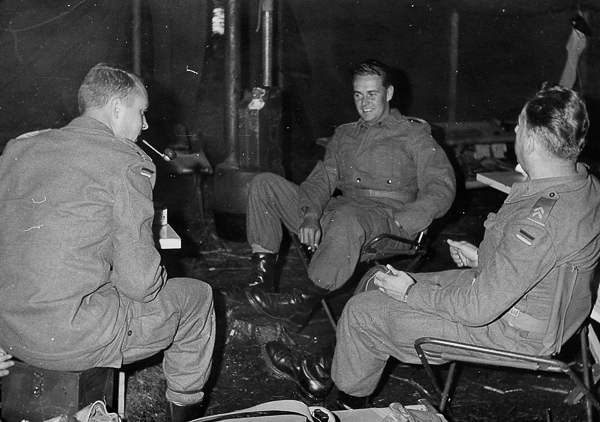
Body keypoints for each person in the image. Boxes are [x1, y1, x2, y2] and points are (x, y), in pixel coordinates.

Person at [262, 82, 600, 408]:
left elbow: (479, 307)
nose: (514, 131)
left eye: (520, 126)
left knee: (362, 314)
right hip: (524, 307)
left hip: (510, 331)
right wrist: (482, 257)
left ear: (532, 141)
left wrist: (411, 292)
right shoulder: (583, 186)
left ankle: (348, 405)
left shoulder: (540, 221)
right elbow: (541, 264)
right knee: (376, 279)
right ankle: (326, 369)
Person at [0, 63, 215, 422]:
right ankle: (185, 412)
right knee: (197, 298)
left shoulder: (19, 148)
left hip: (8, 330)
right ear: (116, 108)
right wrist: (151, 266)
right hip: (69, 337)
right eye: (141, 113)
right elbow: (139, 284)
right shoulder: (125, 162)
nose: (144, 126)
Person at [244, 59, 456, 328]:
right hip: (342, 215)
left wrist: (408, 219)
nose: (364, 103)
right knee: (264, 184)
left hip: (388, 221)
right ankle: (261, 283)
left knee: (345, 219)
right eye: (358, 95)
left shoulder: (413, 135)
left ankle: (300, 304)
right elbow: (322, 179)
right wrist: (310, 215)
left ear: (389, 93)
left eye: (372, 94)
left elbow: (441, 186)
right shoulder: (345, 135)